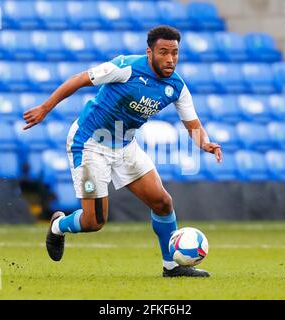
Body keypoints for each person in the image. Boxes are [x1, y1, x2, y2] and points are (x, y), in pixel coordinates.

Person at [23, 25, 222, 277]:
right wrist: (45, 108)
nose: (170, 59)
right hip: (90, 143)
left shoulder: (177, 87)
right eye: (163, 52)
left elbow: (193, 124)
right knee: (94, 222)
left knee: (162, 203)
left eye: (175, 53)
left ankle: (171, 266)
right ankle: (58, 226)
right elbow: (79, 79)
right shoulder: (124, 67)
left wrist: (204, 142)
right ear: (149, 52)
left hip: (125, 145)